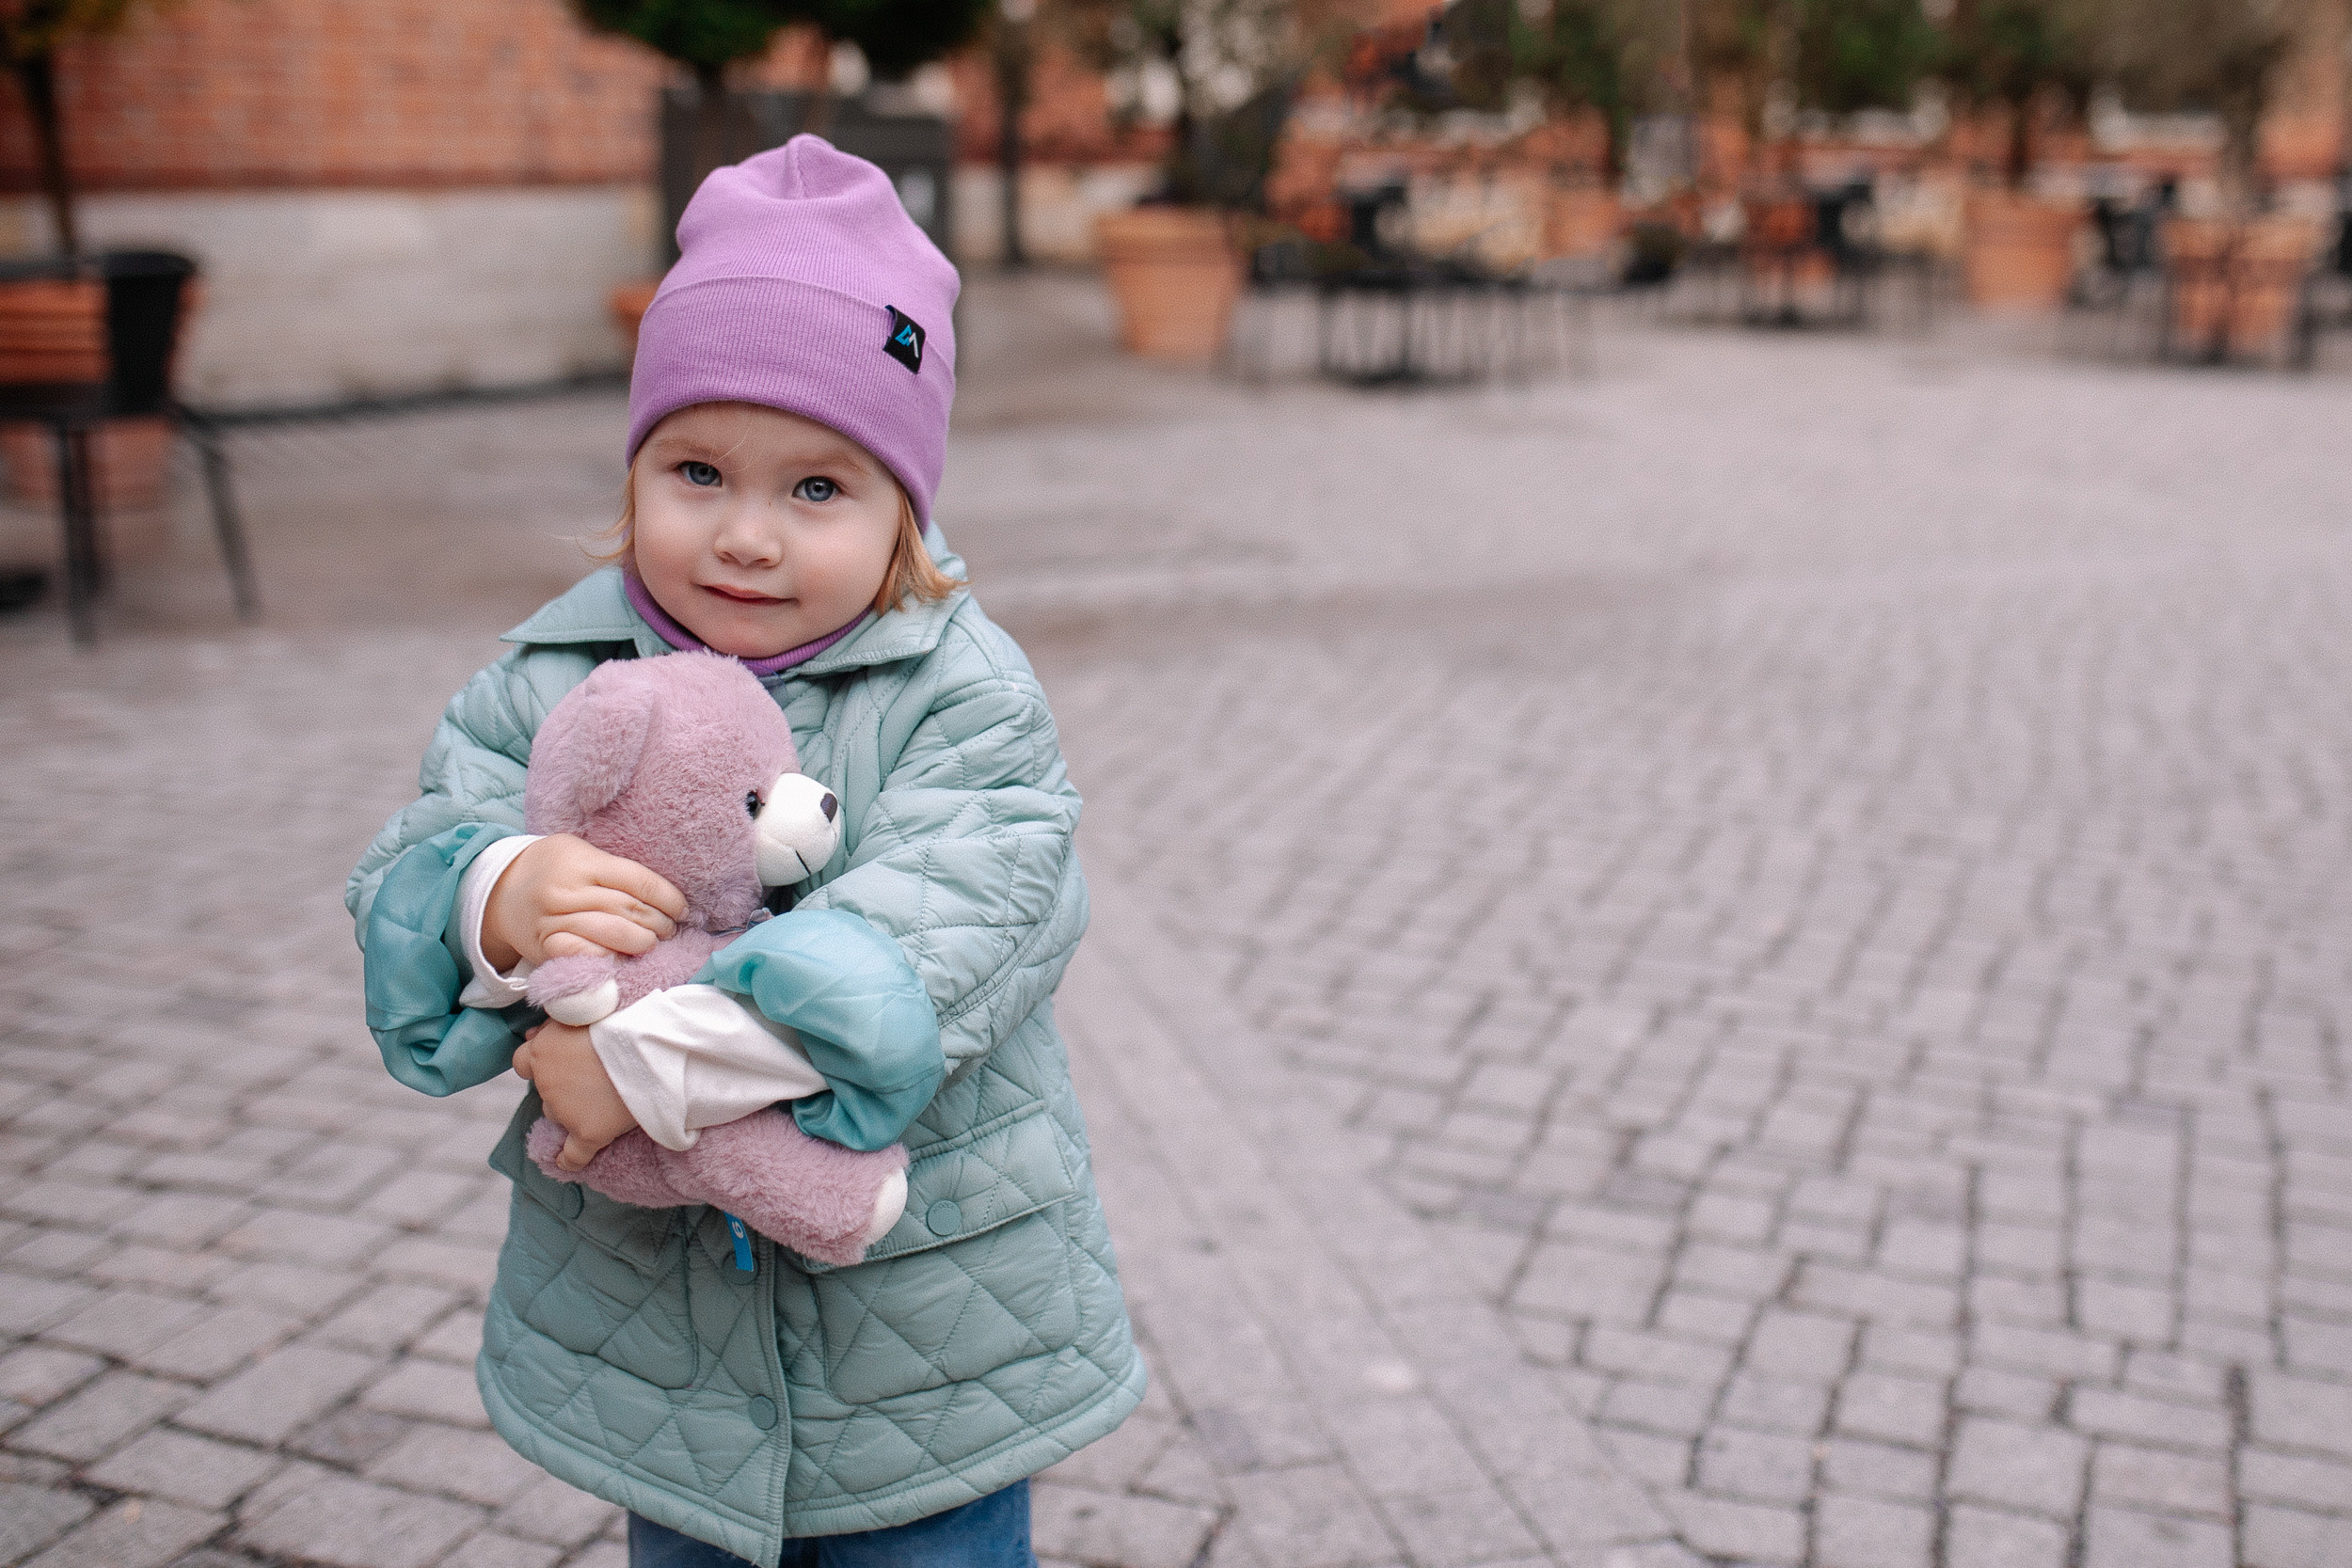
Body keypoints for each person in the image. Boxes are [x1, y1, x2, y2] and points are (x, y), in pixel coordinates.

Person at [346, 136, 1143, 1567]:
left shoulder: (957, 692)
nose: (747, 538)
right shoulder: (556, 676)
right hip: (662, 1341)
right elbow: (415, 858)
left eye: (817, 491)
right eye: (698, 471)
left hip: (929, 1326)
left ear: (908, 509)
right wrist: (492, 893)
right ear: (636, 465)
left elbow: (945, 930)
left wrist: (639, 1067)